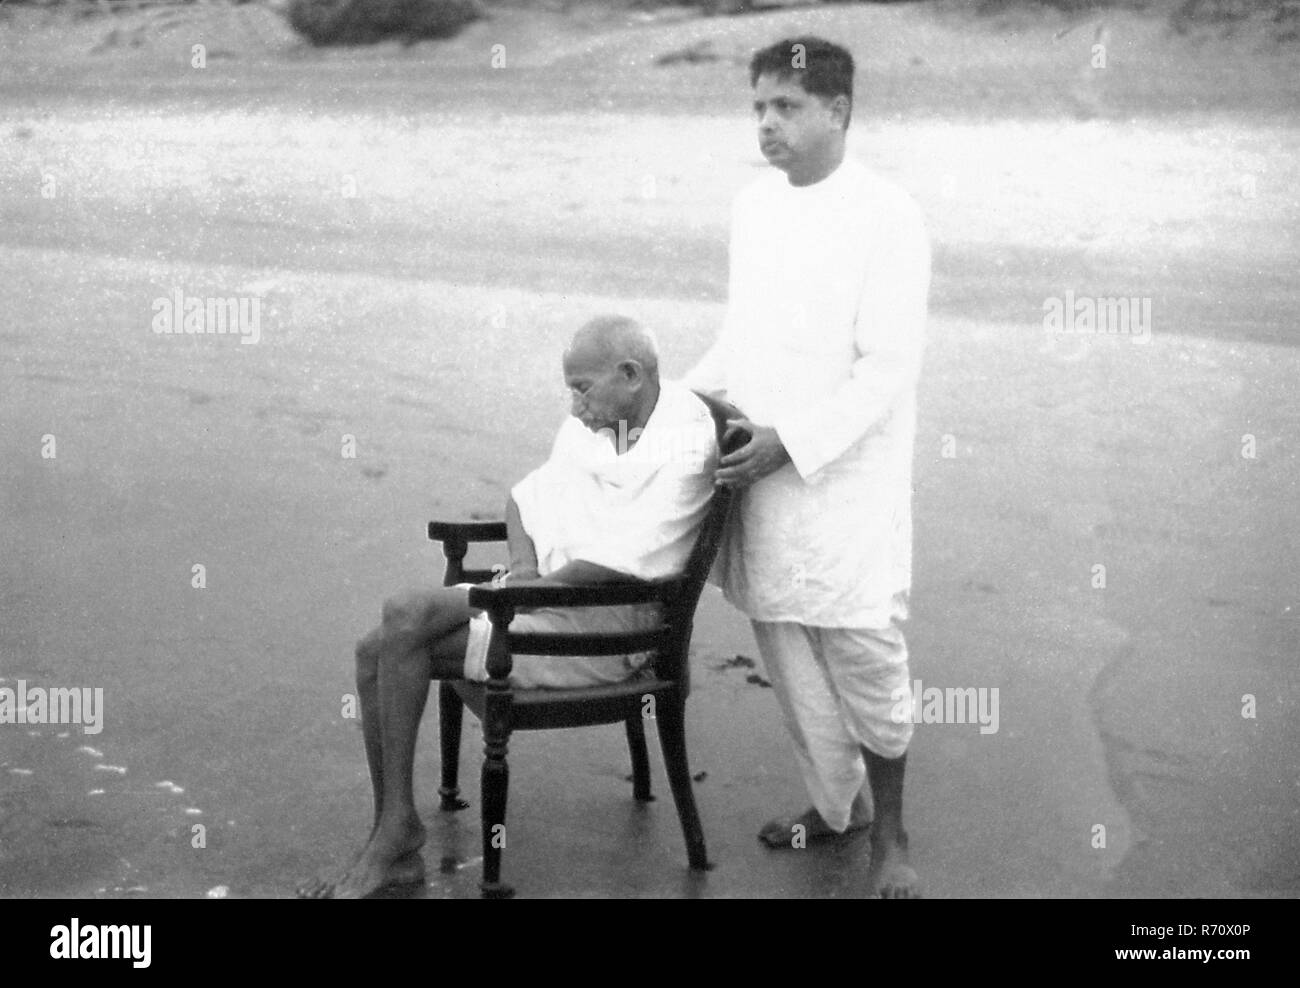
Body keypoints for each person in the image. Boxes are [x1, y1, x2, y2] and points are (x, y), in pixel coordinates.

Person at [300, 315, 718, 899]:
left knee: (402, 620)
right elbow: (528, 498)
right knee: (380, 644)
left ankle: (395, 836)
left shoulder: (687, 440)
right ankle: (392, 830)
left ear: (631, 374)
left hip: (606, 636)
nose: (575, 408)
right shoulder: (602, 422)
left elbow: (621, 563)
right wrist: (521, 574)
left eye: (582, 388)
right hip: (548, 603)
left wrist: (505, 597)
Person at [684, 36, 931, 898]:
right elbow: (740, 338)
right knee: (786, 649)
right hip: (761, 479)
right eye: (757, 107)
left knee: (864, 649)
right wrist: (675, 404)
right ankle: (836, 810)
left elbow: (887, 368)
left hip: (845, 482)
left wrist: (790, 440)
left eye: (786, 106)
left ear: (839, 111)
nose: (767, 124)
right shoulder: (754, 208)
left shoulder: (888, 216)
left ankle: (891, 837)